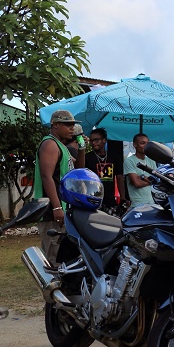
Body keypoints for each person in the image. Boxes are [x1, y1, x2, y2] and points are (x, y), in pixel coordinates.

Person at [33, 110, 85, 265]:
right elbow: (46, 176)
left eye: (73, 124)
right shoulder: (50, 144)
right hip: (50, 210)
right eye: (68, 124)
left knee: (64, 256)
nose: (72, 128)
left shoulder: (62, 146)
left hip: (62, 209)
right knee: (54, 258)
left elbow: (79, 169)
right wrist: (57, 207)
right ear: (55, 125)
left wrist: (81, 147)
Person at [84, 128, 125, 215]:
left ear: (104, 140)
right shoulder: (87, 157)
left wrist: (123, 198)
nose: (93, 143)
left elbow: (120, 178)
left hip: (110, 200)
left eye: (96, 140)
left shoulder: (114, 157)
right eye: (91, 140)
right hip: (92, 199)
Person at [124, 133, 157, 208]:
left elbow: (157, 181)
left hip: (152, 203)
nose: (145, 145)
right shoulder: (129, 161)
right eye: (142, 143)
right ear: (134, 145)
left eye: (147, 143)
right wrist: (150, 181)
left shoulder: (151, 161)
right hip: (137, 205)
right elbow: (137, 183)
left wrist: (143, 177)